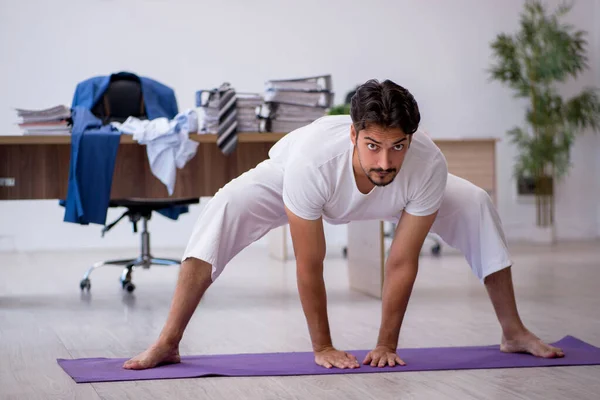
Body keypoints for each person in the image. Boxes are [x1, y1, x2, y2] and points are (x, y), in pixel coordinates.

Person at [123, 79, 564, 370]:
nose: (385, 160)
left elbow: (402, 260)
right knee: (221, 208)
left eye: (397, 146)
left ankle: (514, 332)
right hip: (292, 181)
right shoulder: (314, 162)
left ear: (411, 139)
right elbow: (309, 264)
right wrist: (322, 347)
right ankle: (168, 341)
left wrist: (386, 345)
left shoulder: (426, 164)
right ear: (354, 134)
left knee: (476, 203)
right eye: (373, 145)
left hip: (397, 197)